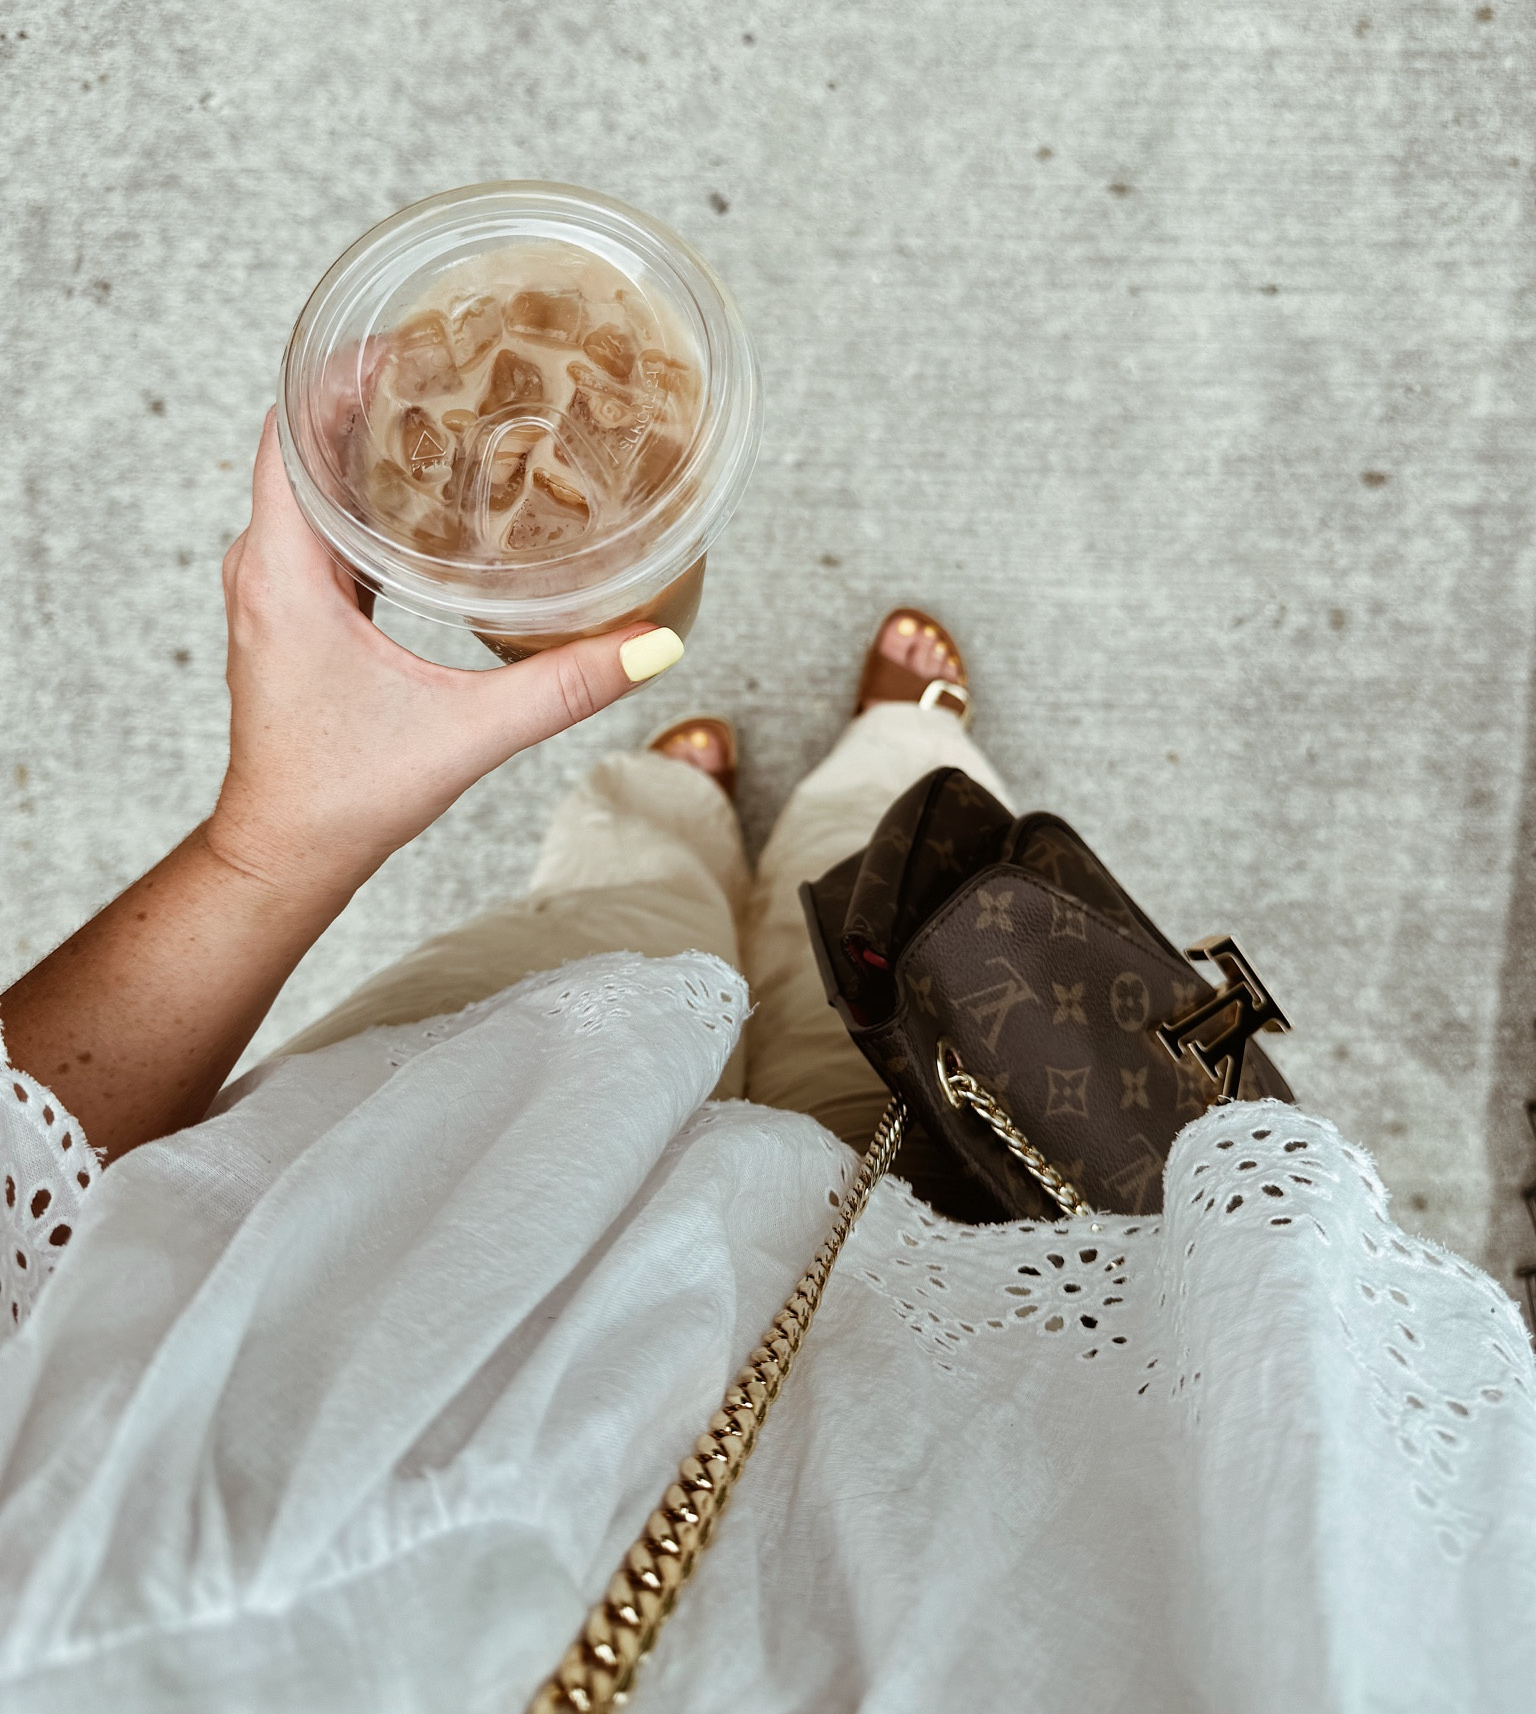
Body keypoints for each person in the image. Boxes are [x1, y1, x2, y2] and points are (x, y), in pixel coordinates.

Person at [0, 420, 1531, 1712]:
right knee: (891, 966)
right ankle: (878, 772)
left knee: (595, 933)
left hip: (405, 1188)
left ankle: (665, 826)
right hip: (963, 1352)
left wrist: (272, 847)